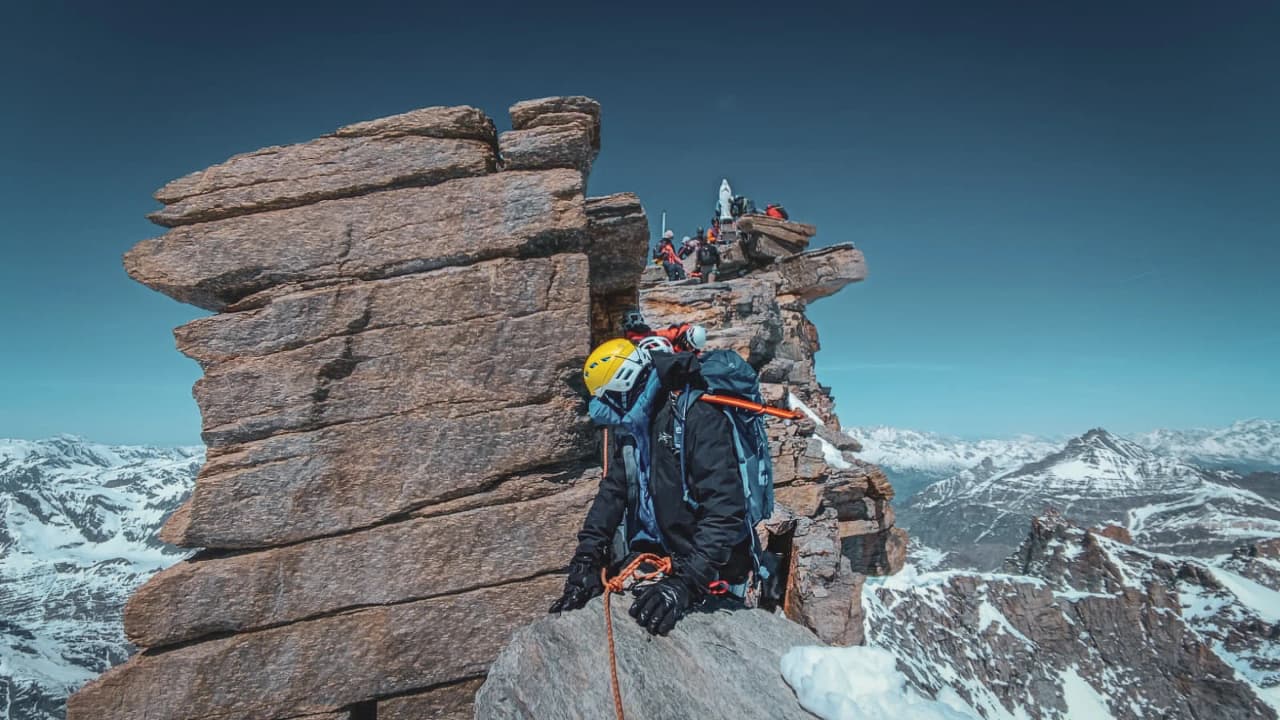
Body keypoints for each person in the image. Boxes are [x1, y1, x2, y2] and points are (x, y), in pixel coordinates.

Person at [551, 339, 753, 635]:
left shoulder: (697, 417)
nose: (606, 409)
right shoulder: (633, 428)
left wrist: (686, 584)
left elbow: (725, 510)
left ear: (623, 387)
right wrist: (587, 557)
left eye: (608, 398)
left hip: (707, 569)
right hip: (659, 556)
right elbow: (612, 493)